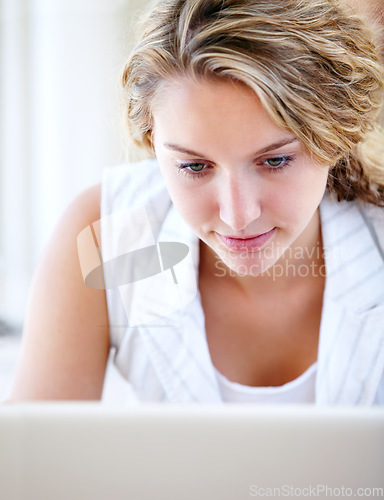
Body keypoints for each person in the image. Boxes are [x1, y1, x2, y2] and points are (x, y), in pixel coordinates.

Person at [10, 0, 384, 404]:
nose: (237, 215)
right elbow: (35, 458)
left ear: (337, 137)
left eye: (275, 160)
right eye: (193, 166)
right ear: (153, 143)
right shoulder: (106, 234)